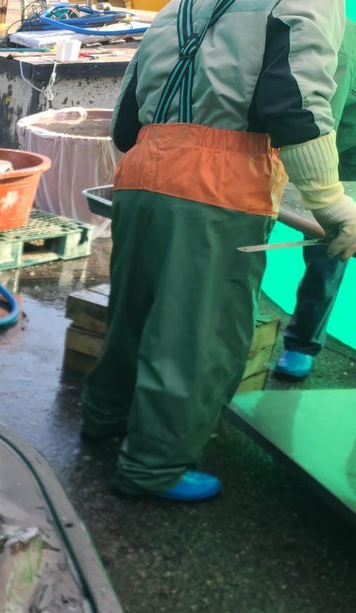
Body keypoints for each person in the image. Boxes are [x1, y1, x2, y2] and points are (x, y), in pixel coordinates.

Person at [81, 0, 356, 502]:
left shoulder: (177, 7)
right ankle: (153, 466)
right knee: (195, 337)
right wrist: (332, 203)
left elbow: (125, 121)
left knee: (132, 314)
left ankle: (105, 417)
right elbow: (296, 103)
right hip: (219, 187)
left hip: (140, 176)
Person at [276, 19, 356, 381]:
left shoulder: (339, 44)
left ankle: (301, 343)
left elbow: (316, 127)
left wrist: (330, 199)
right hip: (306, 147)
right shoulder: (311, 24)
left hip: (341, 159)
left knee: (330, 250)